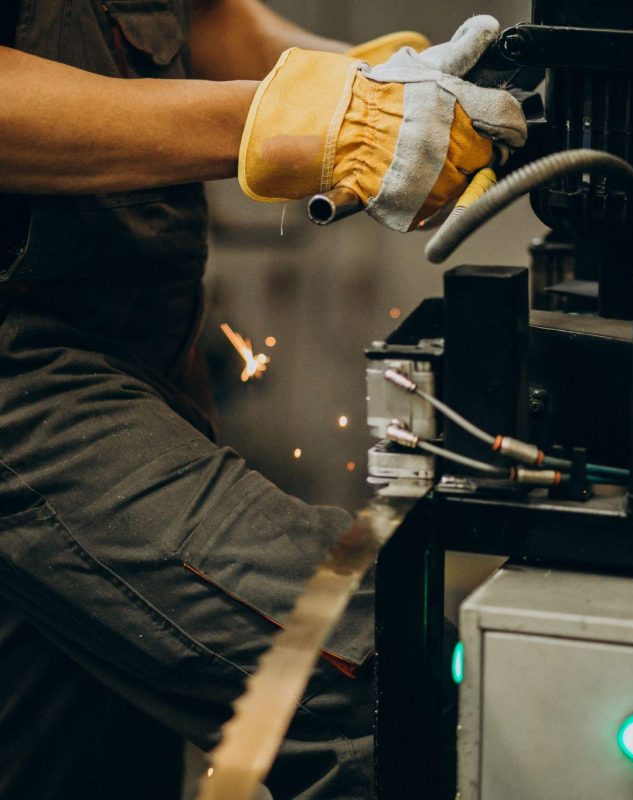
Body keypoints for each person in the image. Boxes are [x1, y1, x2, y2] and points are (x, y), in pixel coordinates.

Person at [0, 1, 525, 797]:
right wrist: (317, 116)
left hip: (137, 337)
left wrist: (376, 79)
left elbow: (203, 19)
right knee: (371, 668)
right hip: (22, 368)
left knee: (86, 764)